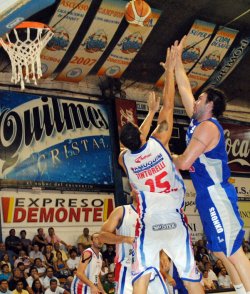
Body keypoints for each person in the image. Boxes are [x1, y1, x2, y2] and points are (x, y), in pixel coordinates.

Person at [118, 46, 203, 294]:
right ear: (142, 134)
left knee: (140, 278)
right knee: (190, 278)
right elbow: (168, 103)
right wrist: (168, 74)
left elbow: (133, 143)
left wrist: (145, 123)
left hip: (149, 225)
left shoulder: (125, 160)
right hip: (174, 221)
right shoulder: (158, 141)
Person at [173, 36, 250, 294]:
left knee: (235, 251)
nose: (194, 101)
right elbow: (183, 87)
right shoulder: (198, 121)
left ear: (210, 106)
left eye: (199, 99)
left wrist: (162, 155)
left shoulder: (207, 127)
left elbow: (184, 162)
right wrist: (176, 61)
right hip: (207, 195)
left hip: (217, 194)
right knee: (218, 249)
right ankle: (240, 289)